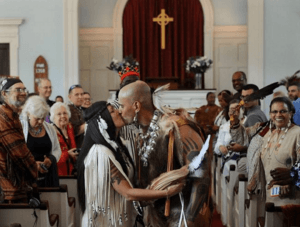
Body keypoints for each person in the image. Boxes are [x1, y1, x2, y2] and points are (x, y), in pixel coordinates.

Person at [118, 81, 211, 227]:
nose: (120, 111)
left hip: (179, 214)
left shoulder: (177, 127)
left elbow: (201, 174)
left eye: (122, 106)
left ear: (136, 106)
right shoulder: (142, 131)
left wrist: (190, 217)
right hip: (155, 215)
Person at [77, 101, 184, 226]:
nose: (119, 111)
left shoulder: (118, 145)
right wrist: (166, 193)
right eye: (112, 111)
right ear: (102, 122)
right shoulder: (100, 153)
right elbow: (127, 193)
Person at [234, 97, 300, 206]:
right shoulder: (266, 133)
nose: (278, 115)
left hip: (291, 201)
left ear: (291, 113)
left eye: (283, 111)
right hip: (268, 198)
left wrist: (292, 175)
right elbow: (241, 137)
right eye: (274, 111)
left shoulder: (297, 133)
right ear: (270, 114)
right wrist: (235, 121)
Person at [0, 78, 38, 202]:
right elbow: (18, 152)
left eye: (24, 89)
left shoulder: (14, 115)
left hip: (17, 183)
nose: (22, 93)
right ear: (4, 93)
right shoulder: (2, 117)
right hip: (7, 186)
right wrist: (35, 168)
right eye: (18, 90)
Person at [21, 96, 61, 187]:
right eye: (37, 118)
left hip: (48, 175)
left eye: (43, 118)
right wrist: (33, 164)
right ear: (28, 114)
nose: (40, 121)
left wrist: (50, 159)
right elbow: (17, 153)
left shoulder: (50, 128)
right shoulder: (20, 128)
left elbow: (57, 149)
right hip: (28, 176)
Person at [50, 102, 78, 176]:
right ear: (53, 117)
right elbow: (52, 157)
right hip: (58, 172)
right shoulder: (51, 131)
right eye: (59, 114)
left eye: (65, 113)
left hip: (71, 170)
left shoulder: (69, 127)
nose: (63, 116)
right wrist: (67, 154)